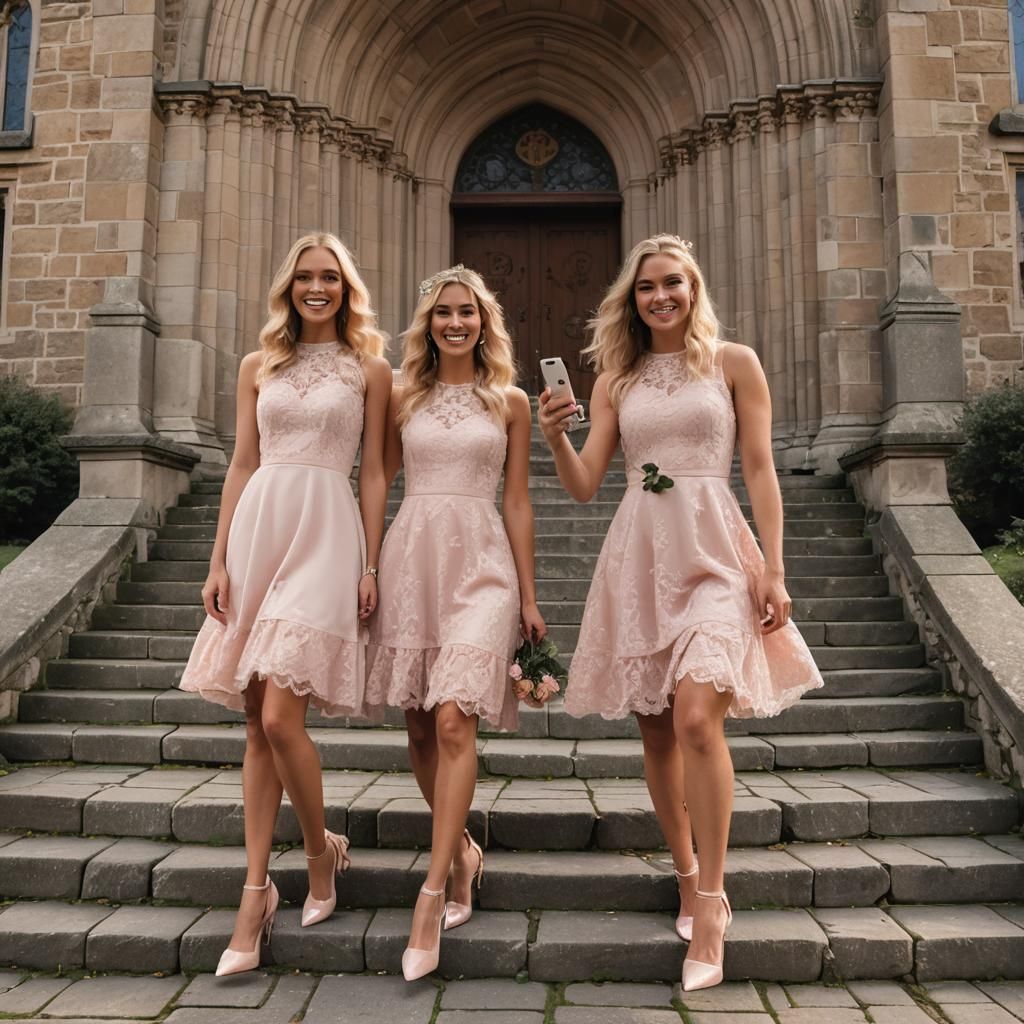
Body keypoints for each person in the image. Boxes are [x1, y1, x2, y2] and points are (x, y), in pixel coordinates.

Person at [537, 234, 823, 991]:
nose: (659, 296)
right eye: (645, 288)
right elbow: (584, 484)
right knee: (659, 729)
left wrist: (775, 567)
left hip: (717, 551)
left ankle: (713, 898)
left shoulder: (735, 364)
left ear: (693, 289)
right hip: (640, 554)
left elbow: (758, 466)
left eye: (671, 283)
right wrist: (556, 439)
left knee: (699, 717)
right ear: (631, 301)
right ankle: (686, 871)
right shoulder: (615, 380)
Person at [179, 233, 392, 975]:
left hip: (327, 531)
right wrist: (217, 558)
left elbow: (374, 474)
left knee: (279, 714)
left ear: (347, 287)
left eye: (330, 276)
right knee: (254, 721)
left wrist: (371, 560)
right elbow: (242, 462)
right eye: (305, 276)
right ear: (288, 286)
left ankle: (319, 850)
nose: (316, 287)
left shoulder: (371, 368)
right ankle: (257, 888)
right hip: (259, 530)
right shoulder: (257, 365)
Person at [363, 265, 548, 981]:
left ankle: (433, 889)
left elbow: (520, 501)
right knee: (416, 725)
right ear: (428, 323)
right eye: (443, 313)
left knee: (451, 722)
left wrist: (529, 596)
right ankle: (463, 850)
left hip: (483, 568)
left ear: (485, 320)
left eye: (466, 312)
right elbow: (375, 477)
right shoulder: (402, 394)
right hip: (412, 559)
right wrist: (369, 564)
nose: (455, 322)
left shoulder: (510, 401)